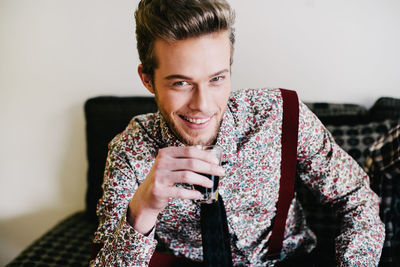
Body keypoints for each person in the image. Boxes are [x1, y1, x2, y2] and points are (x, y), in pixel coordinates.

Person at [90, 0, 385, 266]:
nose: (202, 105)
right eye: (180, 83)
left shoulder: (280, 115)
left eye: (216, 79)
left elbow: (357, 196)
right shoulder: (129, 150)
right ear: (147, 80)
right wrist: (141, 211)